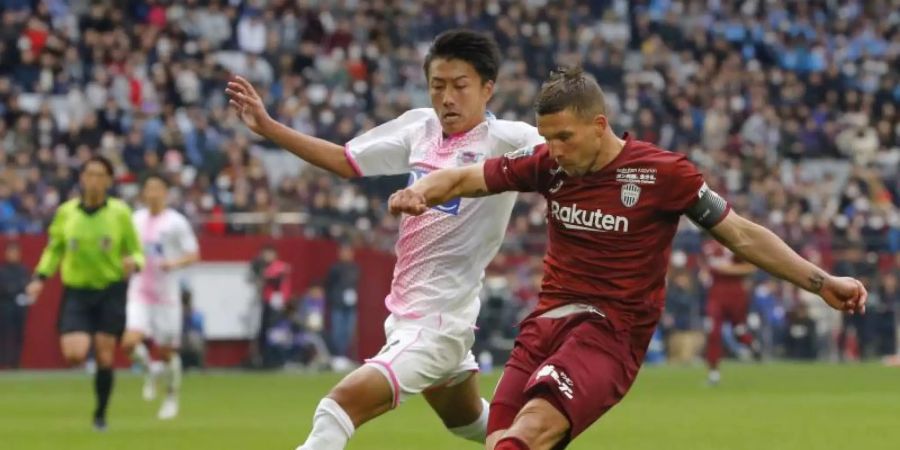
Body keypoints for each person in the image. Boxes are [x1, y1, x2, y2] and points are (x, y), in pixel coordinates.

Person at [389, 66, 868, 450]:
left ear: (599, 126)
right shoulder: (548, 167)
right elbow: (462, 179)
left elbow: (741, 234)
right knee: (501, 439)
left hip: (611, 332)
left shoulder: (663, 174)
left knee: (529, 432)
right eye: (546, 137)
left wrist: (822, 282)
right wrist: (418, 193)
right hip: (545, 325)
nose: (552, 150)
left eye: (564, 138)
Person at [226, 29, 543, 449]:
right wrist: (269, 128)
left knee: (336, 409)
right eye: (438, 85)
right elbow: (344, 160)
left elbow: (568, 157)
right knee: (472, 425)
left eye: (460, 86)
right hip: (411, 317)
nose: (447, 97)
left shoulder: (510, 140)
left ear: (488, 88)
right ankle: (544, 437)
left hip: (438, 323)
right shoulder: (419, 128)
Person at [25, 155, 145, 431]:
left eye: (100, 175)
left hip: (110, 290)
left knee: (105, 356)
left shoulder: (120, 212)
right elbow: (54, 248)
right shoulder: (67, 212)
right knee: (75, 354)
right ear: (81, 178)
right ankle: (88, 336)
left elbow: (137, 250)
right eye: (89, 174)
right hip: (77, 291)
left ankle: (100, 415)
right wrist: (40, 277)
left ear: (109, 181)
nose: (94, 180)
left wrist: (134, 263)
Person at [120, 173, 200, 420]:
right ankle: (150, 369)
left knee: (167, 352)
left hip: (166, 297)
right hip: (139, 292)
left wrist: (173, 263)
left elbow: (193, 254)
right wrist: (126, 262)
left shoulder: (176, 222)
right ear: (143, 193)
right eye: (148, 189)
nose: (152, 193)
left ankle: (171, 397)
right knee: (129, 342)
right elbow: (126, 250)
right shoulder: (135, 219)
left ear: (165, 193)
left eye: (157, 189)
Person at [702, 239, 757, 385]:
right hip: (715, 296)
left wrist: (728, 269)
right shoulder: (709, 246)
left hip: (736, 296)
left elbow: (751, 267)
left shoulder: (734, 245)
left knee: (739, 332)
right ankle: (714, 373)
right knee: (713, 333)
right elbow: (706, 269)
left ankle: (754, 347)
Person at [324, 244, 359, 368]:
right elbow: (328, 285)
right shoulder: (335, 268)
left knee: (348, 332)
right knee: (337, 332)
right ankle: (338, 357)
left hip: (351, 305)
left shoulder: (355, 268)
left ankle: (344, 356)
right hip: (338, 305)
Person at [0, 241, 30, 368]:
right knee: (4, 335)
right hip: (5, 306)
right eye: (10, 252)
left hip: (20, 307)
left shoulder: (24, 270)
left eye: (15, 252)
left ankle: (15, 362)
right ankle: (3, 361)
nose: (13, 255)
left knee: (19, 335)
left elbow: (27, 286)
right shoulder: (2, 271)